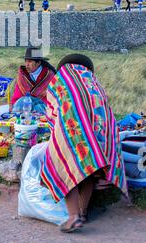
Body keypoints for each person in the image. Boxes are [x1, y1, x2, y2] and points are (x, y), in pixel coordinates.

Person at [40, 54, 127, 232]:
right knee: (88, 168)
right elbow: (107, 115)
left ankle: (73, 217)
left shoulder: (62, 81)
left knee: (64, 165)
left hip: (71, 132)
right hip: (95, 138)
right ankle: (82, 212)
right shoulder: (95, 85)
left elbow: (52, 110)